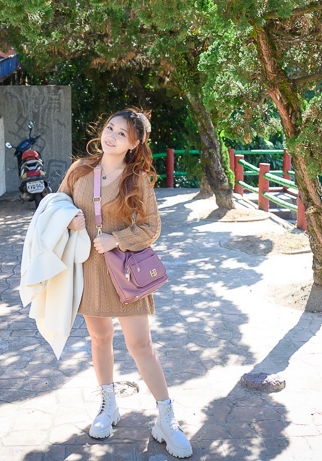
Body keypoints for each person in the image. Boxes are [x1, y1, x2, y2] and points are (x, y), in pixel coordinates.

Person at [57, 108, 193, 459]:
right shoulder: (80, 171)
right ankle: (108, 406)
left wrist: (117, 239)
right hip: (89, 271)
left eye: (122, 133)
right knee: (99, 339)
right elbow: (56, 204)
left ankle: (166, 419)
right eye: (109, 128)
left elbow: (152, 227)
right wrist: (69, 218)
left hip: (125, 274)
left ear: (134, 144)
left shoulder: (138, 181)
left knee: (141, 345)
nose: (111, 136)